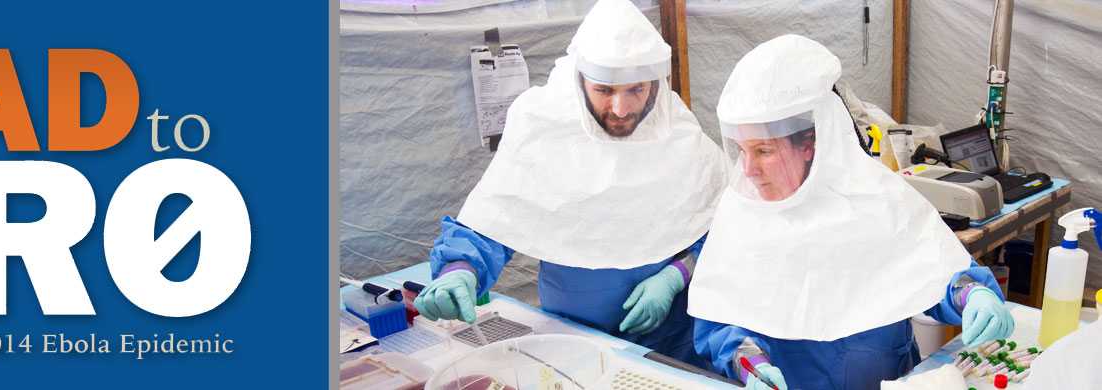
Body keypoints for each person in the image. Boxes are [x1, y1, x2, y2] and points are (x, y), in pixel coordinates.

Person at [411, 0, 727, 369]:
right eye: (605, 90)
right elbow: (495, 219)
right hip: (572, 336)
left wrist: (678, 274)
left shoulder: (678, 134)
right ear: (580, 80)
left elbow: (724, 227)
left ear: (655, 84)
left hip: (669, 340)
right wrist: (460, 270)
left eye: (636, 90)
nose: (621, 108)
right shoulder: (544, 127)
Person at [687, 34, 1015, 390]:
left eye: (764, 151)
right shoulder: (742, 215)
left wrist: (972, 296)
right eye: (742, 150)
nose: (748, 169)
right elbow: (720, 320)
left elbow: (938, 277)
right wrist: (747, 361)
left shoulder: (878, 199)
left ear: (811, 143)